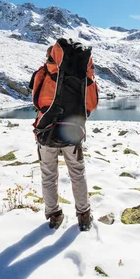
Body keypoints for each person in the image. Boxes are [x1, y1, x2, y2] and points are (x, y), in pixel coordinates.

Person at [30, 40, 98, 231]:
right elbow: (91, 105)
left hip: (47, 130)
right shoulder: (84, 77)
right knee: (77, 173)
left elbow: (36, 101)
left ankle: (54, 214)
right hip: (73, 131)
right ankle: (83, 215)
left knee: (49, 175)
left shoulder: (44, 73)